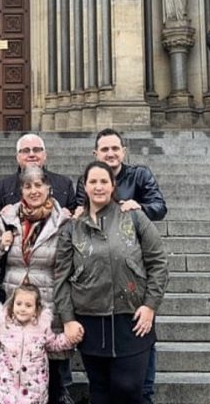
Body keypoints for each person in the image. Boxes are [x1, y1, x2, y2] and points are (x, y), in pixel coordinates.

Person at [55, 161, 169, 404]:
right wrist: (67, 319)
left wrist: (150, 305)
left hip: (132, 319)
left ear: (113, 185)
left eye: (104, 181)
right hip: (90, 321)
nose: (99, 187)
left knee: (128, 389)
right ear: (85, 186)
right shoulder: (72, 227)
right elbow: (61, 277)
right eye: (93, 182)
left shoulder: (134, 216)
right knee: (100, 392)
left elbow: (158, 262)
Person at [0, 166, 74, 404]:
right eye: (28, 186)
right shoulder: (8, 217)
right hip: (15, 304)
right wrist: (0, 244)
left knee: (51, 374)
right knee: (14, 370)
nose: (33, 191)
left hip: (48, 303)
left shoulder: (63, 220)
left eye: (38, 185)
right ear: (21, 190)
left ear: (49, 188)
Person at [0, 284, 78, 404]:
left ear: (36, 309)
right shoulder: (4, 325)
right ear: (12, 305)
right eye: (19, 304)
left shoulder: (42, 327)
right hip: (6, 386)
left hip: (34, 387)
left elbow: (53, 343)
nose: (22, 309)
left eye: (28, 305)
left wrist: (70, 339)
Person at [75, 128, 167, 221]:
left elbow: (159, 208)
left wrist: (139, 207)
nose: (110, 154)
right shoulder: (86, 180)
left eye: (115, 148)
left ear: (123, 152)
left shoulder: (140, 175)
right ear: (96, 154)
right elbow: (82, 209)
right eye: (105, 149)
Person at [0, 133, 77, 222]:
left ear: (45, 155)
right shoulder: (2, 187)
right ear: (17, 157)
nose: (31, 154)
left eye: (36, 150)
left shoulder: (64, 184)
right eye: (26, 151)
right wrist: (1, 214)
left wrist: (70, 213)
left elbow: (75, 214)